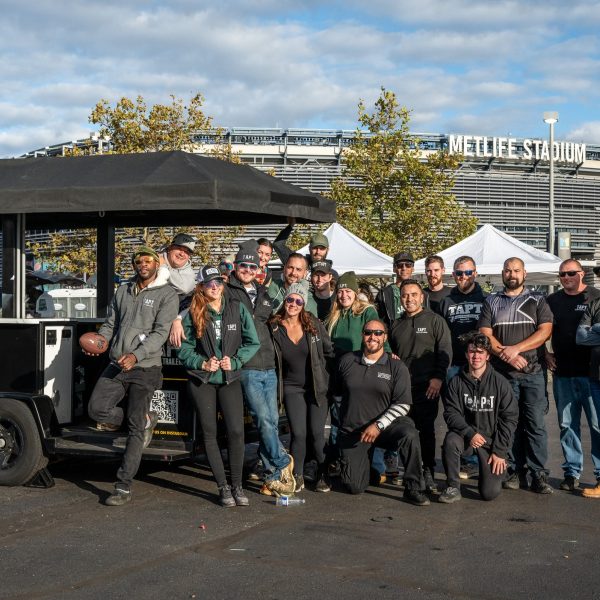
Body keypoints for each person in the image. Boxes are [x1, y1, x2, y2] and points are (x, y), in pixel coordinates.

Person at [88, 246, 179, 506]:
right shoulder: (123, 290)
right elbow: (110, 324)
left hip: (145, 367)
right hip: (117, 363)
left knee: (134, 427)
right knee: (97, 410)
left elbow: (161, 333)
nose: (143, 264)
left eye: (148, 260)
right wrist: (102, 341)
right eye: (138, 261)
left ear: (156, 264)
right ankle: (146, 418)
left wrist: (136, 356)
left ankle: (123, 487)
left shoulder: (167, 294)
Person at [177, 265, 260, 507]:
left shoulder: (237, 308)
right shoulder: (191, 312)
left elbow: (252, 342)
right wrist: (201, 363)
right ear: (201, 287)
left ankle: (237, 485)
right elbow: (183, 348)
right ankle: (223, 487)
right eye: (209, 283)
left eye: (218, 282)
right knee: (210, 433)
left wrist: (235, 361)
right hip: (202, 380)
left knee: (236, 432)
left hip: (229, 378)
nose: (215, 287)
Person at [479, 257, 553, 494]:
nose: (512, 274)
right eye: (508, 270)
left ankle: (538, 473)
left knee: (535, 424)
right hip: (503, 375)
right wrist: (507, 355)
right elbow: (485, 334)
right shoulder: (491, 301)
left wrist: (516, 349)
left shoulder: (538, 300)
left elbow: (545, 332)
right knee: (508, 422)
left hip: (533, 372)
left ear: (525, 273)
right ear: (502, 273)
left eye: (516, 270)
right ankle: (513, 470)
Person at [335, 319, 429, 506]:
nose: (373, 337)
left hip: (387, 428)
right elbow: (337, 395)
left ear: (384, 337)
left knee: (410, 434)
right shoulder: (347, 361)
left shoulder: (396, 366)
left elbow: (403, 405)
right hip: (356, 431)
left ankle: (414, 488)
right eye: (369, 332)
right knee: (354, 487)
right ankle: (369, 469)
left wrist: (378, 425)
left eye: (378, 333)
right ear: (362, 335)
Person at [225, 245, 295, 496]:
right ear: (235, 266)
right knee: (263, 420)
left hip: (270, 366)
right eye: (243, 265)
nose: (247, 270)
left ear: (258, 270)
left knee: (272, 423)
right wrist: (179, 320)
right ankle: (282, 460)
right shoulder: (225, 291)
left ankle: (272, 476)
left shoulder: (265, 293)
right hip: (247, 367)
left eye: (252, 266)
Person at [269, 280, 334, 493]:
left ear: (303, 303)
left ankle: (322, 472)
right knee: (299, 433)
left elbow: (329, 350)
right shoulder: (275, 327)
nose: (294, 304)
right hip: (291, 387)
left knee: (316, 434)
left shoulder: (313, 324)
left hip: (316, 387)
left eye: (298, 300)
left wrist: (326, 374)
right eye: (290, 299)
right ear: (285, 300)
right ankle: (297, 476)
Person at [439, 331, 518, 503]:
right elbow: (451, 413)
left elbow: (509, 418)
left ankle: (497, 472)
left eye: (480, 352)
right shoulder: (456, 382)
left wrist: (499, 451)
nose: (476, 356)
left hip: (490, 443)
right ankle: (453, 486)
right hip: (466, 438)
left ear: (488, 356)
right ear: (467, 354)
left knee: (489, 494)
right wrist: (469, 433)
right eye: (472, 351)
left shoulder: (500, 383)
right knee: (451, 440)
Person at [389, 279, 452, 492]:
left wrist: (438, 378)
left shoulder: (436, 321)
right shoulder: (396, 325)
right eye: (405, 295)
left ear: (421, 296)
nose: (409, 299)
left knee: (426, 432)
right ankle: (411, 474)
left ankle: (429, 473)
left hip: (428, 387)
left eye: (413, 294)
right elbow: (390, 355)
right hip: (403, 390)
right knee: (406, 432)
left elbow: (445, 353)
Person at [547, 260, 600, 493]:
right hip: (563, 373)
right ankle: (571, 472)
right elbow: (540, 329)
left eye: (571, 273)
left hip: (592, 374)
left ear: (582, 274)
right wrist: (544, 354)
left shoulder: (595, 297)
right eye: (562, 274)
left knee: (597, 426)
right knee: (567, 424)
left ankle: (599, 474)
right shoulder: (552, 301)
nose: (566, 277)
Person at [439, 256, 488, 380]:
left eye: (468, 272)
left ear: (475, 273)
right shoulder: (446, 301)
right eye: (459, 273)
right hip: (454, 364)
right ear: (454, 275)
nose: (464, 276)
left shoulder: (486, 299)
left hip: (480, 362)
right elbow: (440, 334)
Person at [575, 281, 600, 498]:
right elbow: (581, 337)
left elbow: (588, 332)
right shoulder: (594, 305)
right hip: (596, 377)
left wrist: (596, 328)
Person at [157, 233, 197, 348]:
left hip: (177, 318)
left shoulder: (189, 272)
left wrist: (162, 266)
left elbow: (183, 288)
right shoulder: (153, 258)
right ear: (170, 248)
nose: (182, 253)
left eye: (187, 252)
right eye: (179, 248)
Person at [375, 251, 416, 328]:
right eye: (400, 265)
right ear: (394, 268)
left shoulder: (422, 293)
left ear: (412, 268)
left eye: (408, 265)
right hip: (393, 336)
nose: (404, 268)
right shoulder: (384, 294)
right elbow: (379, 321)